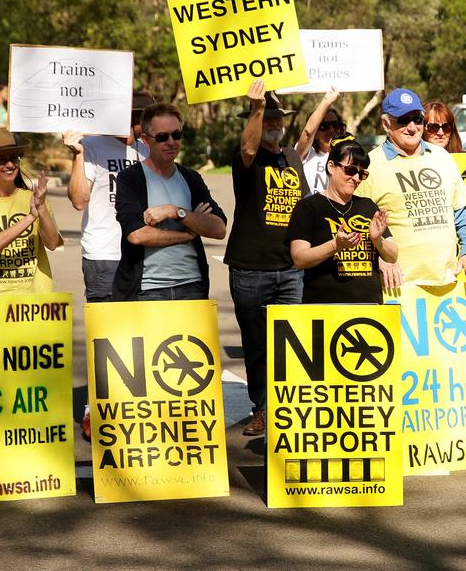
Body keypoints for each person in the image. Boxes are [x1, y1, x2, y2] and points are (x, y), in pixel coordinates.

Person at [226, 81, 310, 436]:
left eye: (279, 118)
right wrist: (257, 107)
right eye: (268, 118)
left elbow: (307, 134)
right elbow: (248, 144)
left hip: (291, 268)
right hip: (251, 269)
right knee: (257, 345)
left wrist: (329, 100)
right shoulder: (246, 156)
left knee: (293, 343)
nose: (275, 124)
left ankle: (289, 408)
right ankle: (262, 408)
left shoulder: (290, 156)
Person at [356, 88, 466, 289]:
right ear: (386, 124)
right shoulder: (369, 165)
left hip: (448, 283)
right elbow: (354, 223)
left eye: (417, 119)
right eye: (403, 120)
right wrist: (377, 259)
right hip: (398, 288)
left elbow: (463, 213)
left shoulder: (442, 157)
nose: (412, 127)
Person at [113, 102, 227, 302]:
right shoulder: (130, 179)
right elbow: (137, 235)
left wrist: (176, 212)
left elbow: (218, 229)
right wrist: (188, 234)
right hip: (147, 291)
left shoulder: (191, 178)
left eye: (177, 135)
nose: (171, 142)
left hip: (192, 287)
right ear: (146, 141)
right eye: (162, 137)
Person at [65, 92, 153, 302]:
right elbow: (79, 200)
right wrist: (77, 155)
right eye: (142, 119)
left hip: (143, 254)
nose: (144, 125)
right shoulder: (91, 146)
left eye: (146, 119)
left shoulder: (147, 151)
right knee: (107, 327)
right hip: (105, 256)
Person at [288, 139, 398, 303]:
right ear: (331, 166)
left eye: (361, 173)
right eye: (350, 170)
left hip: (369, 308)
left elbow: (393, 255)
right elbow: (299, 259)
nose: (356, 178)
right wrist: (335, 245)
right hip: (324, 309)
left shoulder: (368, 206)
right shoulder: (308, 207)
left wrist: (377, 240)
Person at [0, 129, 63, 294]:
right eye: (1, 160)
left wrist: (41, 208)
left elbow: (52, 243)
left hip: (35, 296)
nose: (10, 165)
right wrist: (30, 217)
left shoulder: (36, 199)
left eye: (14, 158)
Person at [295, 90, 350, 195]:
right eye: (324, 126)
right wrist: (327, 101)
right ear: (315, 133)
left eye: (335, 125)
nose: (331, 130)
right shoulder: (306, 155)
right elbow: (307, 133)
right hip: (311, 210)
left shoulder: (347, 155)